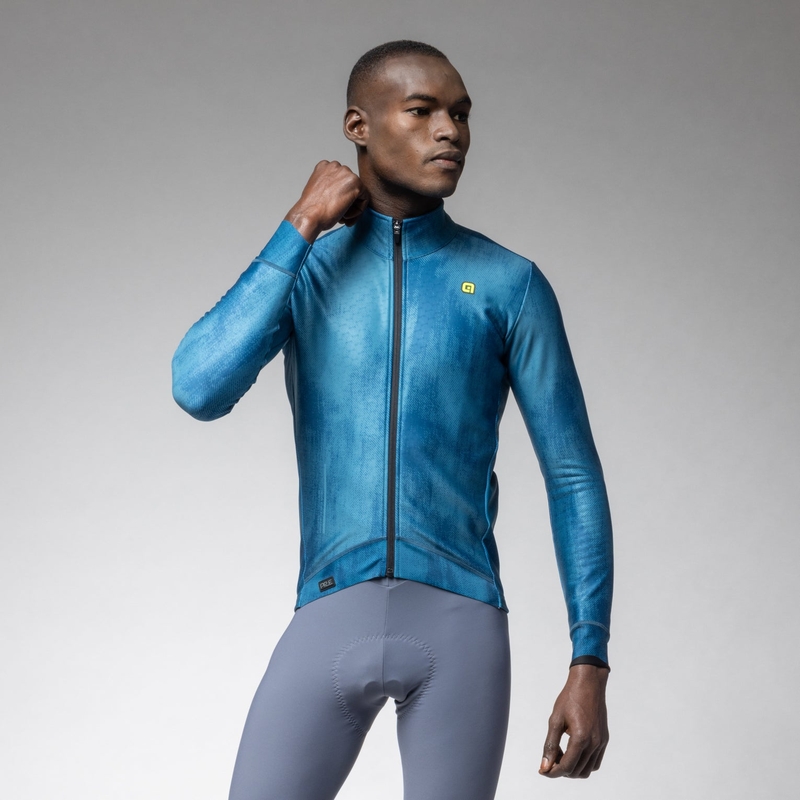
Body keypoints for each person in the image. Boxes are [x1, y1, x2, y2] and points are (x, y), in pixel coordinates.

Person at [172, 39, 613, 800]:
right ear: (359, 126)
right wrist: (301, 222)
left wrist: (589, 661)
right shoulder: (307, 271)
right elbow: (198, 387)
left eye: (461, 114)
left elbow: (572, 476)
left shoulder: (509, 284)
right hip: (330, 606)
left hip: (461, 625)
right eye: (422, 111)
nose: (451, 131)